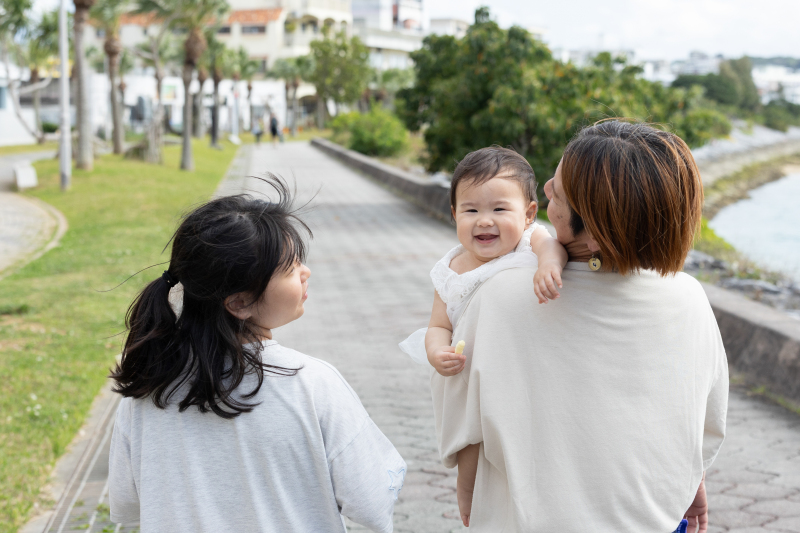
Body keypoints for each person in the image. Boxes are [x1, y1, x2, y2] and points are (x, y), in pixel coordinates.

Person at [431, 121, 728, 532]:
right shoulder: (689, 298)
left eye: (561, 193)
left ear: (596, 234)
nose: (548, 186)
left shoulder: (501, 297)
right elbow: (698, 418)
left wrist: (467, 492)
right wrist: (690, 483)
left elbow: (464, 420)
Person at [108, 178, 406, 532]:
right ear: (240, 302)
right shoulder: (311, 383)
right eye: (292, 267)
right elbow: (371, 502)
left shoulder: (148, 388)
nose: (306, 272)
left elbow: (127, 502)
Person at [399, 146, 568, 375]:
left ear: (528, 214)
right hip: (472, 368)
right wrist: (436, 351)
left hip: (523, 362)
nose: (485, 221)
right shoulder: (450, 270)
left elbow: (551, 246)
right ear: (455, 214)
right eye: (471, 211)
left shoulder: (529, 239)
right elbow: (439, 325)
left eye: (499, 209)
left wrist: (549, 265)